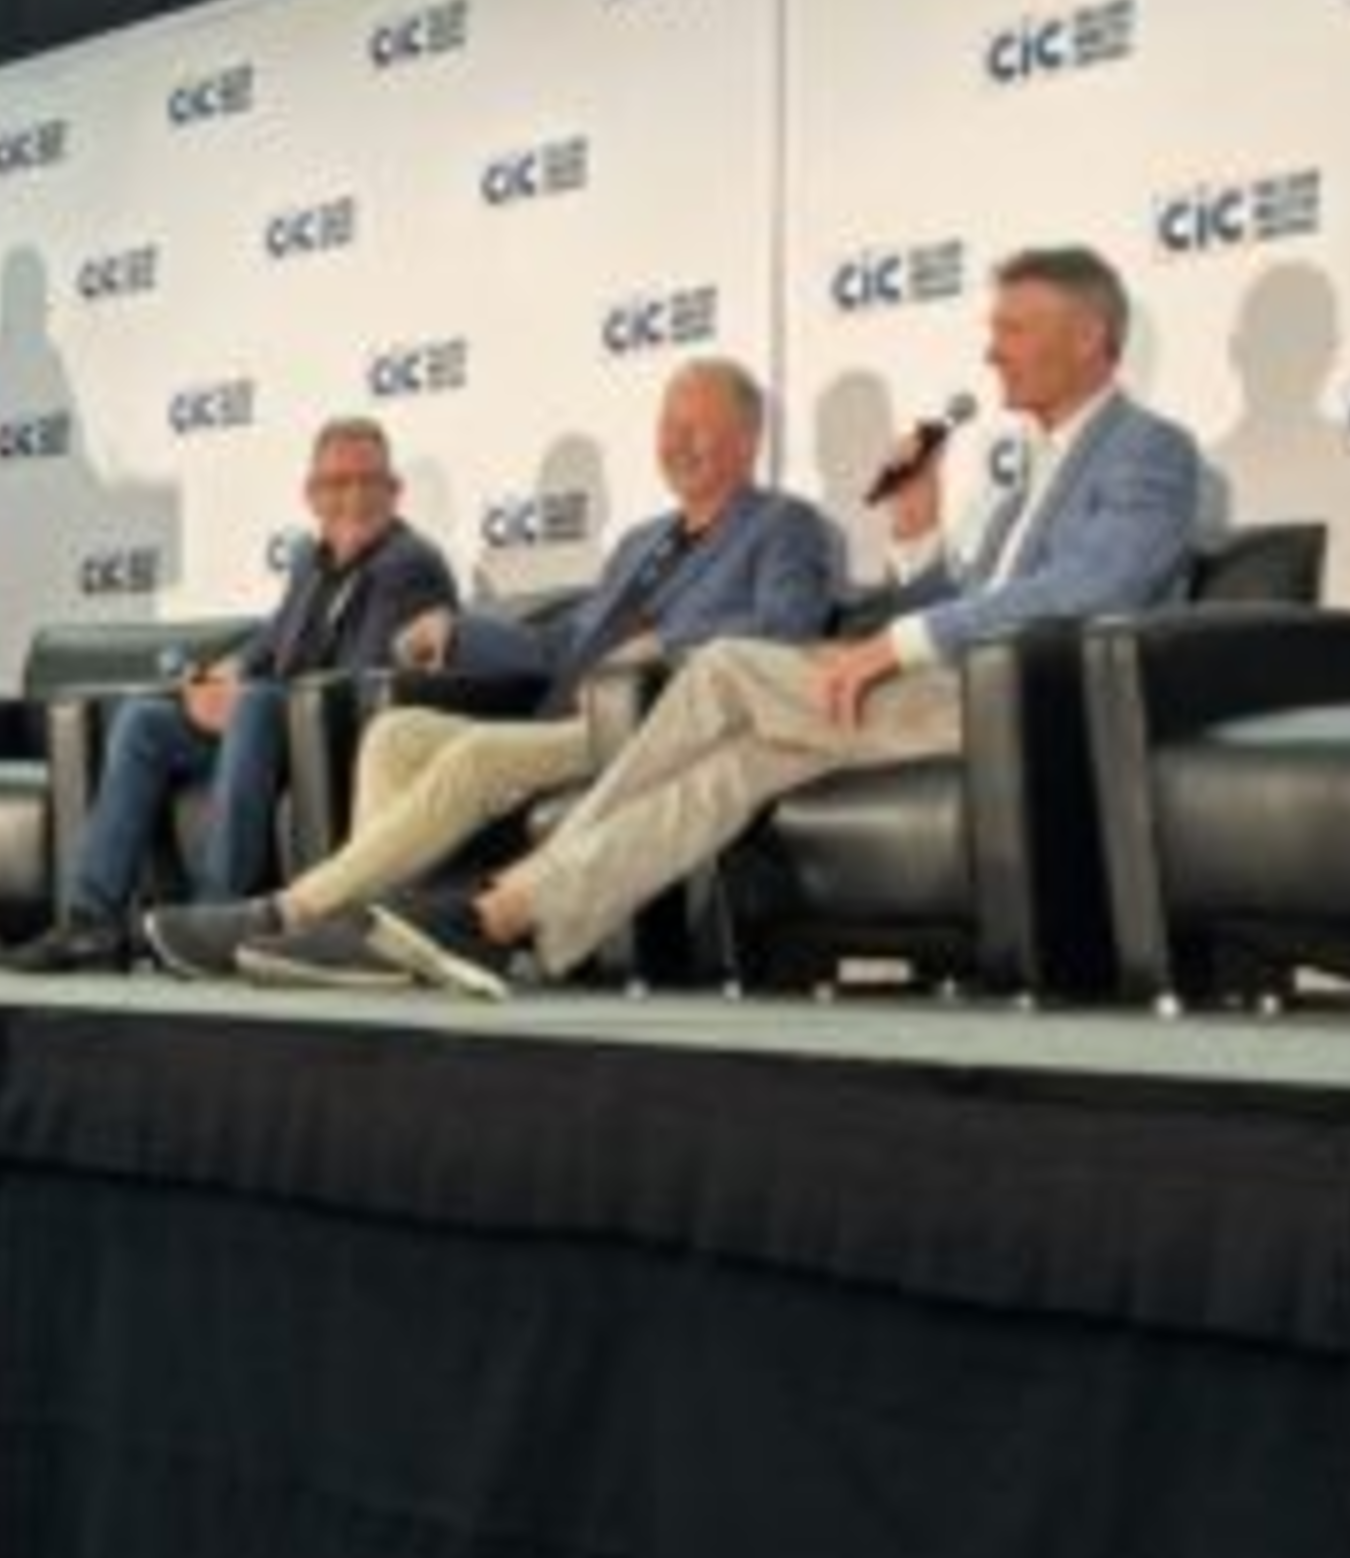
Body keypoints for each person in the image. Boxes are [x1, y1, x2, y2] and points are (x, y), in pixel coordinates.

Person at [361, 246, 1204, 999]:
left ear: (1089, 336)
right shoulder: (1025, 481)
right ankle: (508, 919)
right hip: (952, 692)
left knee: (725, 665)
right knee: (732, 770)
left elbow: (1097, 583)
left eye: (1013, 329)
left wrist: (891, 645)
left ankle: (501, 896)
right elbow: (960, 605)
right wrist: (916, 528)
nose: (992, 351)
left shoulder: (1149, 448)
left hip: (1029, 706)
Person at [144, 357, 833, 985]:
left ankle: (290, 913)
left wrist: (665, 643)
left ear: (748, 438)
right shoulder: (640, 541)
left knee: (476, 756)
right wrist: (459, 632)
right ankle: (376, 935)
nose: (676, 443)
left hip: (651, 725)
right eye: (667, 427)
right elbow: (566, 643)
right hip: (561, 718)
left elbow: (788, 630)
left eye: (695, 428)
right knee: (394, 734)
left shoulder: (784, 526)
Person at [0, 416, 457, 972]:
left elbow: (360, 678)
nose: (355, 497)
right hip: (273, 735)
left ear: (394, 491)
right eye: (338, 484)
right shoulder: (311, 561)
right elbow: (273, 642)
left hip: (339, 746)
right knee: (145, 721)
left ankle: (213, 918)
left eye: (370, 481)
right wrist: (222, 675)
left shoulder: (407, 564)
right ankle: (90, 922)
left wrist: (246, 698)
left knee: (257, 705)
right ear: (312, 496)